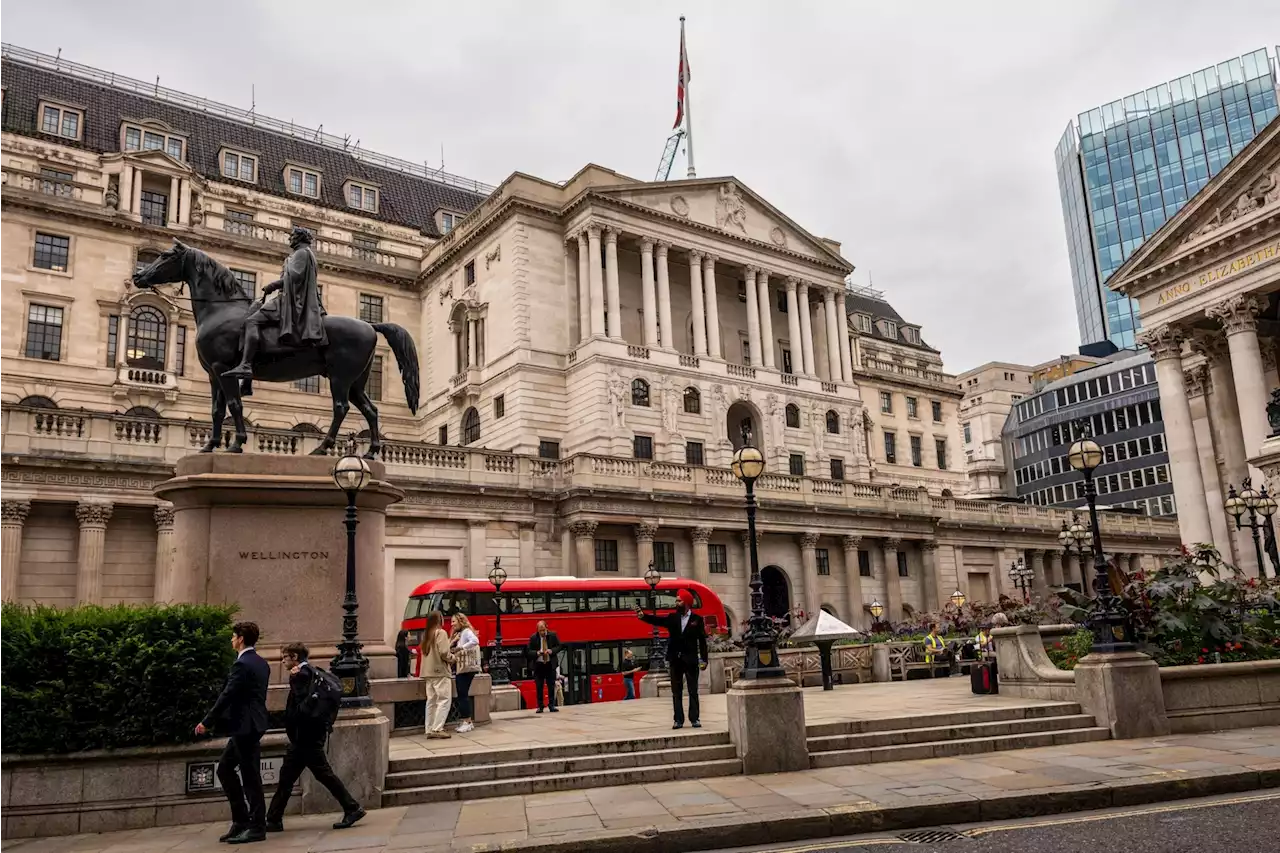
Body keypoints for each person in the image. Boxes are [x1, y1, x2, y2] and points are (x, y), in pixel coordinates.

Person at [265, 643, 364, 833]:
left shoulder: (300, 675)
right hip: (310, 735)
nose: (283, 661)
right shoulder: (312, 671)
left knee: (318, 774)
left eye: (285, 657)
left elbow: (303, 706)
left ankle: (352, 807)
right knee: (292, 776)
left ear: (294, 656)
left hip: (305, 737)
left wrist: (292, 720)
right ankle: (273, 818)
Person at [195, 621, 270, 845]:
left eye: (233, 636)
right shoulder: (261, 663)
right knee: (226, 769)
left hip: (244, 726)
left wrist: (207, 722)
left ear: (241, 639)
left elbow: (227, 695)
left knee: (250, 777)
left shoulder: (242, 665)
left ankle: (256, 826)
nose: (231, 639)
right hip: (252, 725)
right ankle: (241, 821)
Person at [222, 226, 327, 383]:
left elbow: (294, 279)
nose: (289, 239)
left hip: (291, 302)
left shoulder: (301, 253)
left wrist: (273, 285)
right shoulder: (301, 254)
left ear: (299, 238)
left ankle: (245, 365)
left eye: (292, 236)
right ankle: (247, 381)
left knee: (252, 321)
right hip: (289, 299)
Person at [636, 589, 708, 729]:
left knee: (693, 690)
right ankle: (678, 720)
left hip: (691, 659)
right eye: (676, 600)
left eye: (679, 600)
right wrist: (643, 616)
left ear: (686, 603)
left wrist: (704, 660)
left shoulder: (697, 620)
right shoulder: (672, 618)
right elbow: (658, 620)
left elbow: (702, 641)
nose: (676, 603)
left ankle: (695, 718)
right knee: (676, 691)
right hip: (675, 659)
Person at [420, 611, 454, 738]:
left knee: (431, 701)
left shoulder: (426, 635)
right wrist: (453, 658)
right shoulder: (441, 632)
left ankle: (429, 728)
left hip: (428, 673)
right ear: (440, 620)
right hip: (440, 671)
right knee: (444, 700)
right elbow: (444, 652)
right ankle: (438, 728)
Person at [450, 614, 481, 733]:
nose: (452, 624)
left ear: (460, 621)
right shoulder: (461, 633)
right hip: (464, 668)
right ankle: (467, 722)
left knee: (462, 695)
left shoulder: (467, 631)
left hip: (465, 668)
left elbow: (475, 641)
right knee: (462, 694)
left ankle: (467, 721)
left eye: (454, 621)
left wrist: (461, 647)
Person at [526, 621, 560, 713]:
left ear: (546, 628)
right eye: (540, 631)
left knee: (551, 685)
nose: (542, 632)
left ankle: (551, 705)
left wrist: (551, 651)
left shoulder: (552, 635)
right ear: (537, 630)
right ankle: (540, 706)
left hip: (550, 664)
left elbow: (559, 646)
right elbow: (528, 652)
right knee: (539, 686)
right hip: (539, 665)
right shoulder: (533, 638)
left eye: (544, 630)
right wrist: (537, 653)